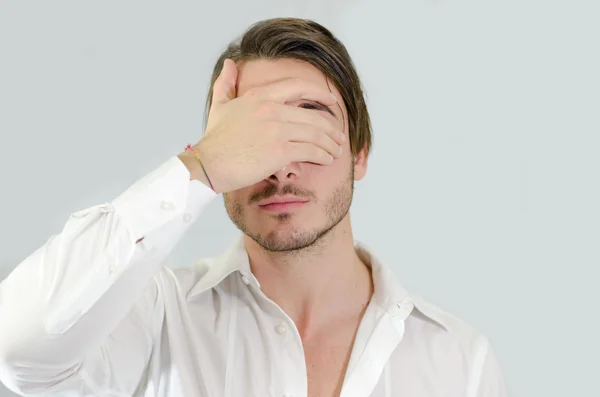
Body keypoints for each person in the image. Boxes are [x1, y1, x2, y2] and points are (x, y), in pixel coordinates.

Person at [0, 17, 508, 397]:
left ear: (360, 153)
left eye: (308, 122)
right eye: (252, 134)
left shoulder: (460, 361)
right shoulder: (155, 318)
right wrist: (201, 165)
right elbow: (18, 352)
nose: (280, 164)